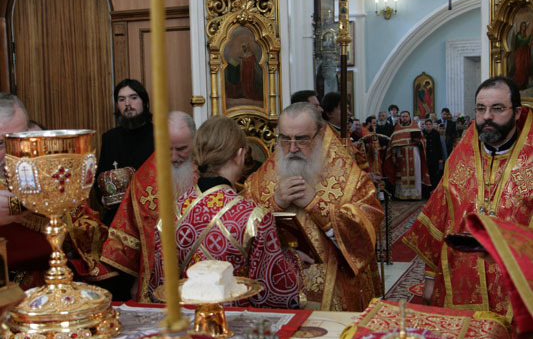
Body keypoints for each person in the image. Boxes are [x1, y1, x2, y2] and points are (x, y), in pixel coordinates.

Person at [403, 77, 533, 339]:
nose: (487, 117)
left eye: (497, 108)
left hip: (516, 288)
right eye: (481, 109)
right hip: (460, 278)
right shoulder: (460, 157)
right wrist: (429, 277)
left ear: (517, 112)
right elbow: (439, 219)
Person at [243, 102, 383, 312]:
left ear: (319, 136)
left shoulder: (352, 182)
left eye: (301, 139)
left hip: (336, 299)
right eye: (285, 139)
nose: (292, 148)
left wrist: (316, 205)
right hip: (276, 296)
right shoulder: (258, 182)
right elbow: (241, 233)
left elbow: (364, 239)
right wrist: (274, 204)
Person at [170, 115, 303, 308]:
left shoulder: (173, 211)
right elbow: (274, 296)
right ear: (239, 154)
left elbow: (160, 286)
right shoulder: (254, 217)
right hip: (234, 321)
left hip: (188, 321)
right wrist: (291, 258)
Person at [0, 93, 108, 286]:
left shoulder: (51, 175)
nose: (10, 153)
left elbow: (90, 229)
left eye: (19, 140)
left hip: (51, 283)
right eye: (1, 144)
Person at [101, 111, 195, 302]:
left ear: (194, 141)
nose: (174, 157)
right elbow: (129, 233)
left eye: (182, 149)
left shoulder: (208, 170)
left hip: (200, 272)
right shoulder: (143, 180)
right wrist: (137, 279)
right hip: (156, 278)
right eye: (167, 149)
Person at [95, 79, 155, 225]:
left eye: (133, 98)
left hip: (151, 214)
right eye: (121, 99)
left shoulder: (159, 135)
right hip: (118, 217)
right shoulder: (110, 138)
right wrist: (104, 199)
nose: (127, 104)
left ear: (144, 102)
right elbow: (100, 179)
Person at [383, 110, 430, 200]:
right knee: (401, 176)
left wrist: (419, 142)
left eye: (406, 116)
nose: (404, 118)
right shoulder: (397, 129)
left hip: (414, 153)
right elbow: (393, 144)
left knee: (415, 174)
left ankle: (415, 194)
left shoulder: (415, 128)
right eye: (403, 116)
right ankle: (403, 195)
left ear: (409, 117)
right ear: (400, 118)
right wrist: (393, 156)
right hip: (401, 155)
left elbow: (424, 141)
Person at [422, 117, 443, 191]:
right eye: (426, 124)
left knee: (434, 174)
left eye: (429, 124)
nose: (428, 126)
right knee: (426, 174)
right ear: (424, 125)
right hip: (425, 157)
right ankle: (426, 190)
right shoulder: (422, 133)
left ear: (432, 125)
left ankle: (434, 189)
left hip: (434, 157)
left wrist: (440, 158)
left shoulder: (436, 133)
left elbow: (439, 146)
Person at [509, 20, 532, 89]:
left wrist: (529, 45)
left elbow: (526, 43)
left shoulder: (524, 34)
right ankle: (518, 82)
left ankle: (524, 83)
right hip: (519, 53)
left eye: (525, 26)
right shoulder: (518, 35)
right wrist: (530, 35)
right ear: (521, 27)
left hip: (525, 53)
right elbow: (523, 41)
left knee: (525, 67)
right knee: (519, 68)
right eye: (523, 26)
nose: (524, 27)